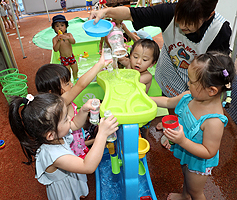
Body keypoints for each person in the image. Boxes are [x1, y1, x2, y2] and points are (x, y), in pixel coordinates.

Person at [89, 0, 232, 147]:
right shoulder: (169, 11)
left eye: (189, 25)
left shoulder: (219, 30)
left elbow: (216, 71)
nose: (182, 27)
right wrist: (105, 12)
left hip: (199, 77)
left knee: (193, 110)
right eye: (179, 20)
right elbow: (133, 13)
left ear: (208, 16)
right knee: (172, 100)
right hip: (171, 67)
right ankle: (172, 124)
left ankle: (185, 136)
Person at [150, 51, 235, 200]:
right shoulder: (189, 97)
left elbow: (209, 152)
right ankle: (184, 196)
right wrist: (146, 98)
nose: (188, 83)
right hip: (187, 151)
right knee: (185, 175)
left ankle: (190, 195)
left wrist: (182, 141)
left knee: (195, 191)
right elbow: (168, 102)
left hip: (198, 162)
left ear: (211, 90)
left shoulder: (214, 121)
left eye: (191, 81)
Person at [9, 93, 118, 200]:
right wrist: (102, 134)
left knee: (76, 191)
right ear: (50, 134)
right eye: (65, 119)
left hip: (70, 177)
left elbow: (75, 124)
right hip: (64, 192)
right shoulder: (53, 155)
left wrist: (84, 110)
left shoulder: (56, 134)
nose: (70, 117)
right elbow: (87, 166)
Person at [35, 53, 111, 158]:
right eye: (66, 83)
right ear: (51, 92)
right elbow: (81, 85)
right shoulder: (61, 102)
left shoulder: (62, 101)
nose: (71, 84)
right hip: (73, 146)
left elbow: (76, 124)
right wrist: (100, 64)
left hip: (78, 135)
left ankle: (92, 140)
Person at [52, 15, 78, 81]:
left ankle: (75, 78)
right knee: (67, 72)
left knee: (76, 69)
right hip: (64, 58)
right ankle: (69, 82)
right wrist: (59, 41)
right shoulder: (55, 39)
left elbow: (73, 42)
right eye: (57, 26)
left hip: (71, 56)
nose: (60, 27)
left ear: (66, 27)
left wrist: (68, 38)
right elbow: (55, 49)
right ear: (54, 28)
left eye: (62, 25)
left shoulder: (69, 35)